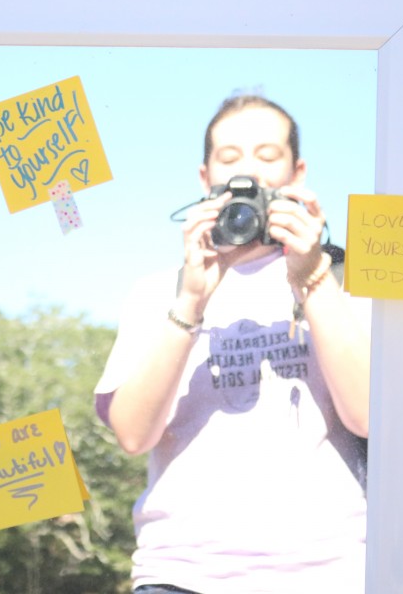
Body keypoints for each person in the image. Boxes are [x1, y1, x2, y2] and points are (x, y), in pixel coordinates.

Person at [93, 94, 371, 593]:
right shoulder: (158, 291)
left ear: (296, 173)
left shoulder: (344, 280)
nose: (248, 172)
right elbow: (134, 435)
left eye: (267, 157)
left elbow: (372, 415)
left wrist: (311, 276)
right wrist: (192, 300)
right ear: (205, 179)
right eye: (229, 158)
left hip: (329, 573)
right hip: (180, 574)